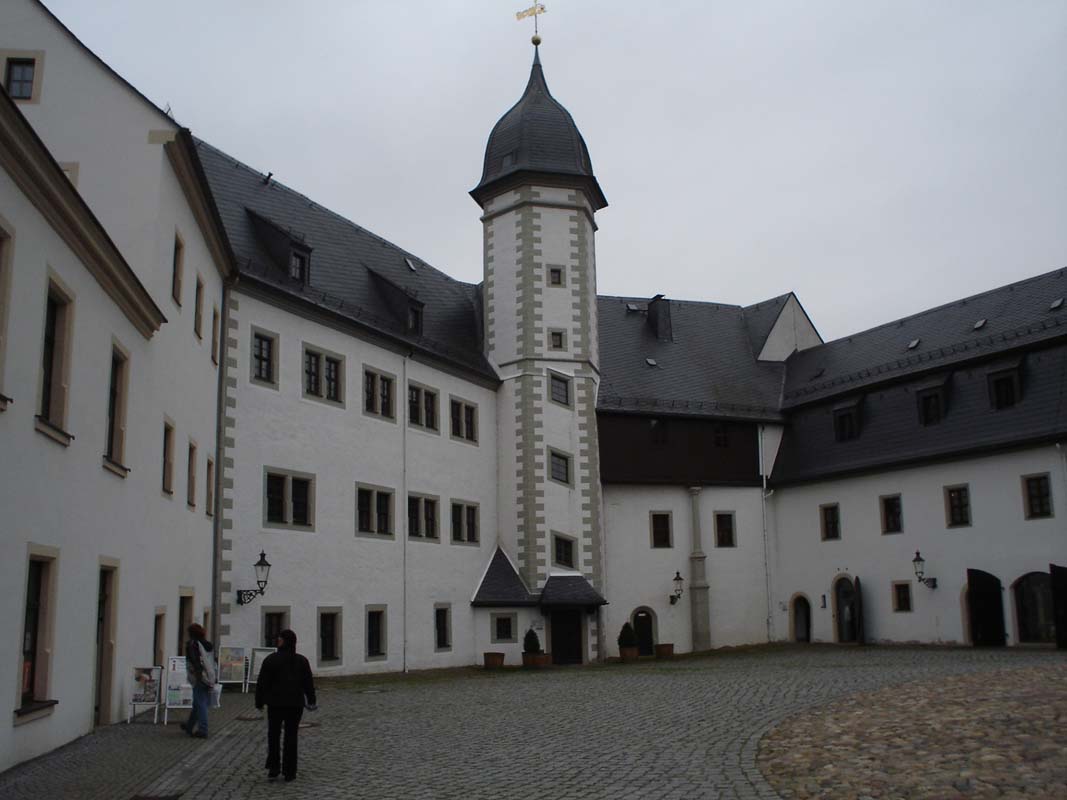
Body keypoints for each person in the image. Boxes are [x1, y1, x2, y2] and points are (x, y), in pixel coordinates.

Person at [255, 629, 317, 782]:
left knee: (273, 735)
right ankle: (290, 771)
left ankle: (274, 768)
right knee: (291, 736)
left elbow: (262, 683)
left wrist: (259, 701)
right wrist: (311, 700)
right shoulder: (301, 660)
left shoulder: (271, 659)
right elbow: (308, 683)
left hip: (275, 703)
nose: (278, 640)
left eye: (280, 638)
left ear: (283, 641)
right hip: (295, 704)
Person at [181, 623, 216, 738]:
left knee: (200, 703)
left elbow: (195, 661)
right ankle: (189, 725)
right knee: (197, 703)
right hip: (209, 675)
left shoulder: (193, 644)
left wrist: (198, 676)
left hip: (200, 677)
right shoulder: (207, 644)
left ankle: (203, 730)